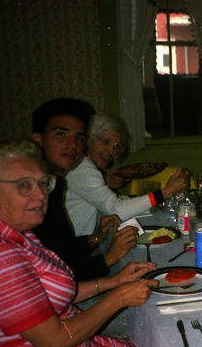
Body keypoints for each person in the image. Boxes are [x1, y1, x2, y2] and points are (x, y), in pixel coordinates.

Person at [0, 140, 162, 347]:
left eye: (43, 183)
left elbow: (45, 294)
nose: (40, 196)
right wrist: (118, 299)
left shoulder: (5, 229)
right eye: (23, 185)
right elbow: (53, 343)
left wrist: (113, 282)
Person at [30, 98, 135, 280]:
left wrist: (95, 238)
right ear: (39, 140)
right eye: (61, 134)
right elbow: (52, 275)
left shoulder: (55, 184)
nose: (72, 145)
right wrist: (108, 258)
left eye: (79, 137)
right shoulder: (29, 194)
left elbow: (59, 247)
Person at [65, 113, 188, 236]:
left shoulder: (81, 164)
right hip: (71, 247)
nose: (111, 151)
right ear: (88, 138)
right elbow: (117, 211)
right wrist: (165, 192)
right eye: (106, 142)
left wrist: (105, 180)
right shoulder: (83, 169)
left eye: (116, 146)